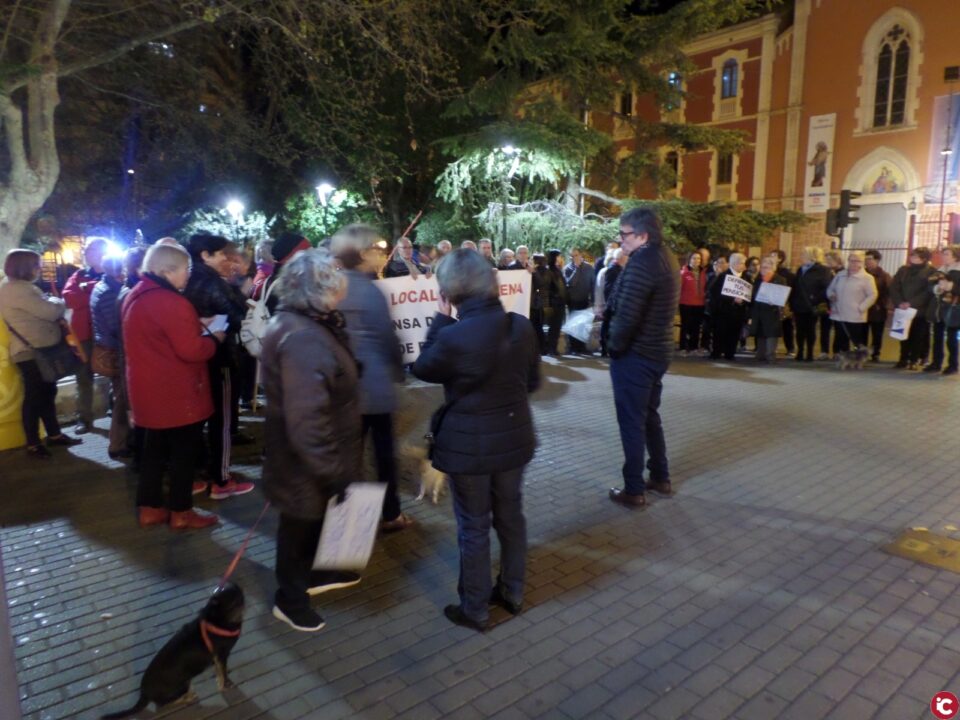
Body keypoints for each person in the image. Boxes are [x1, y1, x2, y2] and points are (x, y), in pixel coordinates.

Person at [412, 249, 540, 632]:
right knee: (511, 517)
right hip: (514, 438)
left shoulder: (453, 336)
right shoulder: (521, 327)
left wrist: (438, 319)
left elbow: (422, 368)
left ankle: (475, 608)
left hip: (468, 448)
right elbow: (531, 383)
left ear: (450, 292)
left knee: (474, 526)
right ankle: (513, 592)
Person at [261, 249, 363, 632]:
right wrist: (331, 470)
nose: (343, 293)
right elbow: (307, 418)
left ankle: (314, 577)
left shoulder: (302, 323)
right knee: (299, 526)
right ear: (320, 292)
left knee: (310, 521)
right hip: (306, 460)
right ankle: (289, 599)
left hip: (310, 455)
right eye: (337, 287)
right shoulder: (303, 337)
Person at [122, 243, 222, 530]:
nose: (188, 276)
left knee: (153, 452)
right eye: (185, 270)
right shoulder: (171, 301)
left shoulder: (136, 294)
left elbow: (156, 335)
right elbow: (191, 351)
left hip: (147, 390)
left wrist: (194, 322)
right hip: (176, 392)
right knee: (183, 454)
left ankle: (149, 506)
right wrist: (213, 339)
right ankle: (181, 511)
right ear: (167, 270)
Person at [331, 225, 412, 533]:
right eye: (376, 250)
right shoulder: (371, 291)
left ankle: (348, 518)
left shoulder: (333, 286)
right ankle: (390, 513)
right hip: (374, 387)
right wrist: (397, 370)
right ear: (363, 254)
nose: (380, 255)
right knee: (383, 455)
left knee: (348, 456)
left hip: (344, 388)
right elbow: (387, 337)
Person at [606, 208, 679, 508]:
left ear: (643, 235)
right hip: (657, 351)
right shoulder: (664, 256)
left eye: (624, 234)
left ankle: (634, 488)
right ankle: (660, 477)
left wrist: (614, 346)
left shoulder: (643, 263)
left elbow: (628, 315)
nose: (620, 240)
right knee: (649, 416)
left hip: (637, 354)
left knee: (632, 421)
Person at [183, 234, 253, 500]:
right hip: (221, 357)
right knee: (221, 421)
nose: (226, 258)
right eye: (220, 253)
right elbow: (238, 318)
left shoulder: (191, 279)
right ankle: (221, 480)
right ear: (205, 255)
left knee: (205, 418)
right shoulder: (211, 283)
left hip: (201, 359)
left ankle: (203, 471)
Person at [0, 250, 83, 459]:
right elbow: (50, 311)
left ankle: (53, 435)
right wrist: (59, 301)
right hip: (31, 352)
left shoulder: (15, 288)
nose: (39, 270)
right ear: (25, 267)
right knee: (35, 397)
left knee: (46, 393)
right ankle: (34, 443)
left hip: (36, 350)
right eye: (36, 265)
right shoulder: (18, 290)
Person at [62, 237, 108, 433]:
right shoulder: (79, 274)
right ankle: (85, 418)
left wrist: (86, 289)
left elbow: (109, 296)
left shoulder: (113, 272)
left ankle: (118, 412)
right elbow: (69, 297)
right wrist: (92, 289)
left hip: (108, 333)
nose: (88, 254)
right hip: (85, 335)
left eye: (93, 251)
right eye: (88, 251)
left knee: (116, 374)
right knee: (83, 377)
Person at [90, 256, 130, 459]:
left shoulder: (104, 287)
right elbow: (117, 326)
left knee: (121, 398)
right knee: (122, 399)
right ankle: (118, 444)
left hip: (112, 347)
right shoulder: (108, 292)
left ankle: (121, 441)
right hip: (114, 350)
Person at [890, 247, 936, 370]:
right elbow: (894, 287)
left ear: (924, 259)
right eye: (912, 255)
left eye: (915, 256)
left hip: (919, 311)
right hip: (902, 309)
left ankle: (914, 360)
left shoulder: (931, 272)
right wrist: (899, 302)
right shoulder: (903, 270)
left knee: (917, 336)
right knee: (902, 335)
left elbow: (928, 291)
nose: (912, 258)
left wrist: (911, 303)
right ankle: (903, 359)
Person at [825, 251, 877, 352]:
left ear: (862, 263)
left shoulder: (867, 278)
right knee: (839, 337)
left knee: (855, 338)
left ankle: (856, 360)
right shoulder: (840, 275)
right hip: (839, 312)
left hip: (855, 315)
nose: (854, 263)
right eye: (851, 260)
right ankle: (839, 357)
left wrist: (861, 308)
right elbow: (830, 289)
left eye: (857, 261)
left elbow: (872, 295)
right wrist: (831, 295)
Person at [791, 247, 832, 362]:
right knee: (799, 330)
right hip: (799, 304)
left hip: (812, 305)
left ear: (811, 256)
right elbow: (796, 286)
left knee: (810, 329)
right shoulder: (800, 269)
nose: (801, 256)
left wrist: (815, 298)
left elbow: (825, 287)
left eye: (803, 254)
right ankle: (800, 351)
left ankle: (809, 352)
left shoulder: (823, 270)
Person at [925, 246, 960, 373]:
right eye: (943, 254)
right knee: (937, 337)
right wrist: (936, 289)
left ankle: (953, 365)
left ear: (955, 256)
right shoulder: (940, 271)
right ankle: (936, 362)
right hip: (939, 308)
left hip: (953, 308)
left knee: (951, 338)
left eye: (946, 254)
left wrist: (951, 287)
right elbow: (929, 285)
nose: (943, 256)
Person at [708, 253, 749, 361]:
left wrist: (743, 301)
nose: (744, 266)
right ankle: (716, 353)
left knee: (734, 333)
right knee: (720, 332)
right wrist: (732, 299)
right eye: (742, 263)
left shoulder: (746, 277)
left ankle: (730, 353)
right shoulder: (723, 276)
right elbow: (714, 293)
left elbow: (749, 294)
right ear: (734, 263)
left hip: (738, 311)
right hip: (723, 311)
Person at [749, 256, 786, 363]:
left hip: (772, 311)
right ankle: (760, 354)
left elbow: (782, 295)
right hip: (759, 310)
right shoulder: (758, 279)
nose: (764, 269)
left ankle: (770, 355)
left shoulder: (780, 279)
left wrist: (775, 300)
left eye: (767, 267)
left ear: (773, 267)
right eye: (763, 267)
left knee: (771, 334)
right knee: (760, 333)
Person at [563, 248, 595, 354]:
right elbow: (571, 283)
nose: (574, 258)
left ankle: (582, 347)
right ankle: (573, 348)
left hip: (585, 300)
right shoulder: (568, 268)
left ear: (581, 255)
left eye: (576, 255)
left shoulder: (589, 268)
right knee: (574, 325)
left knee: (584, 325)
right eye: (572, 256)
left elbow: (593, 285)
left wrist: (593, 300)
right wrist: (576, 268)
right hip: (573, 301)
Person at [864, 249, 892, 362]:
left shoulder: (884, 276)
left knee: (877, 333)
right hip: (864, 308)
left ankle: (875, 353)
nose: (867, 261)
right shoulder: (862, 274)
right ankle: (863, 353)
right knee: (862, 332)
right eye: (866, 259)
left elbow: (889, 292)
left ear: (877, 260)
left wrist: (885, 305)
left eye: (870, 259)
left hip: (878, 309)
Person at [678, 251, 707, 355]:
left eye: (698, 258)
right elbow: (679, 288)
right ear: (689, 260)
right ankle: (683, 347)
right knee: (685, 326)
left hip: (700, 304)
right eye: (694, 258)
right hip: (686, 303)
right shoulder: (684, 273)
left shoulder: (704, 272)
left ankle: (694, 347)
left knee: (696, 326)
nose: (696, 261)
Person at [819, 249, 843, 359]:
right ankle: (824, 350)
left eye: (829, 260)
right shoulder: (825, 272)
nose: (827, 263)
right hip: (826, 303)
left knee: (838, 328)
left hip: (838, 304)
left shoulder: (842, 272)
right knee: (825, 328)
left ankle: (837, 351)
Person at [701, 255, 727, 357]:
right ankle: (706, 346)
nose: (720, 265)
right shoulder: (710, 276)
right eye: (717, 263)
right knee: (707, 327)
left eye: (722, 262)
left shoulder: (728, 276)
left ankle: (721, 348)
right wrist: (717, 276)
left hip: (723, 307)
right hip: (710, 307)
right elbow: (707, 289)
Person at [771, 250, 796, 356]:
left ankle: (790, 348)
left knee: (787, 326)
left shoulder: (786, 274)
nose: (771, 258)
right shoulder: (768, 271)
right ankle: (772, 348)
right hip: (771, 303)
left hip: (784, 303)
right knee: (772, 326)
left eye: (774, 256)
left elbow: (791, 288)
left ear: (780, 259)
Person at [543, 249, 566, 355]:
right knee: (553, 327)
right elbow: (547, 288)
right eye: (559, 256)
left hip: (560, 303)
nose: (561, 258)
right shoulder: (548, 271)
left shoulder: (557, 270)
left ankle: (553, 347)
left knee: (557, 327)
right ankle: (550, 348)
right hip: (553, 303)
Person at [529, 253, 548, 353]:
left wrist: (534, 272)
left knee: (536, 326)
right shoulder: (545, 270)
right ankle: (542, 347)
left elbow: (540, 284)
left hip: (536, 303)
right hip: (540, 303)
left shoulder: (539, 271)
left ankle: (541, 348)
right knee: (538, 326)